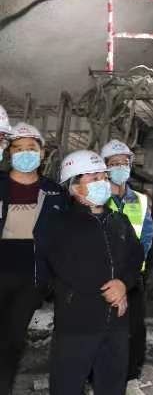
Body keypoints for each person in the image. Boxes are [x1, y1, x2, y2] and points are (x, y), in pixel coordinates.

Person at [46, 150, 143, 395]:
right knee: (67, 386)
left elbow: (135, 258)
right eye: (93, 178)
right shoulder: (60, 224)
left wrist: (123, 284)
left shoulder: (119, 221)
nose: (103, 182)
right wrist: (110, 291)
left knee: (112, 386)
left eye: (104, 177)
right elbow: (66, 267)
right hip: (77, 321)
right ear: (74, 187)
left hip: (117, 322)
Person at [0, 123, 68, 393]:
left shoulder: (55, 193)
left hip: (32, 278)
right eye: (17, 148)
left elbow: (63, 239)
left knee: (13, 339)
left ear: (42, 153)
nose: (24, 153)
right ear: (9, 153)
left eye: (31, 148)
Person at [101, 139, 153, 394]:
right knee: (101, 329)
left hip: (133, 277)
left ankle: (131, 377)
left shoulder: (141, 201)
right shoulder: (98, 198)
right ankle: (97, 377)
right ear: (104, 167)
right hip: (102, 277)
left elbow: (146, 238)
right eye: (114, 163)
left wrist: (131, 270)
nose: (120, 167)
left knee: (134, 330)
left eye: (124, 163)